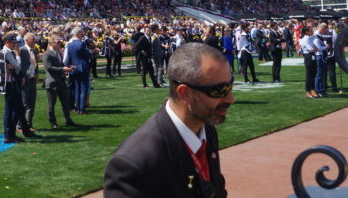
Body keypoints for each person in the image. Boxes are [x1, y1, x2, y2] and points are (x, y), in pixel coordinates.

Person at [104, 43, 234, 198]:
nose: (231, 99)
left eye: (230, 85)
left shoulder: (206, 131)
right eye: (219, 90)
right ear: (185, 94)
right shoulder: (134, 163)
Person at [42, 36, 76, 129]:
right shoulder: (47, 54)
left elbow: (61, 65)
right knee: (51, 104)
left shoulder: (58, 53)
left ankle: (68, 120)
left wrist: (67, 68)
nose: (60, 44)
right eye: (58, 43)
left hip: (61, 81)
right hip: (52, 82)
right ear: (52, 43)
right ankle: (53, 122)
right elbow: (49, 67)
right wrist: (62, 69)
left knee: (65, 102)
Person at [64, 27, 91, 114]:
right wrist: (91, 53)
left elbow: (68, 58)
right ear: (78, 34)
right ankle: (81, 109)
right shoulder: (81, 44)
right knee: (83, 88)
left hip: (73, 68)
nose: (82, 35)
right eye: (81, 34)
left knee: (77, 89)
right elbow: (86, 55)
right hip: (82, 68)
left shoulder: (69, 44)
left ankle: (78, 107)